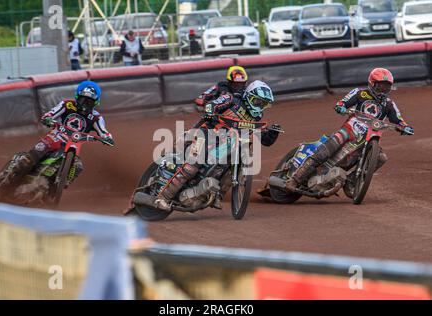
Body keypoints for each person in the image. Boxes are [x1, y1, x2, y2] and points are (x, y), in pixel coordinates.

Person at [154, 80, 282, 212]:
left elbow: (265, 141)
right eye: (258, 102)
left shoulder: (256, 117)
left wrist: (272, 133)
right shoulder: (232, 99)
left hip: (228, 144)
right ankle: (162, 198)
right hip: (207, 135)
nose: (260, 106)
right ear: (249, 96)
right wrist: (210, 111)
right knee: (192, 167)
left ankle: (217, 195)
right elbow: (212, 104)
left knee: (230, 166)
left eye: (264, 104)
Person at [284, 68, 414, 192]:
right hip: (349, 130)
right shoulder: (359, 93)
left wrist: (405, 127)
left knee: (381, 157)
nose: (383, 90)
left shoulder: (389, 104)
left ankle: (352, 182)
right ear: (372, 83)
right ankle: (295, 180)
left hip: (369, 138)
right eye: (380, 86)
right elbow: (342, 103)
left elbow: (398, 119)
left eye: (386, 86)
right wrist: (340, 107)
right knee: (324, 152)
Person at [0, 81, 114, 201]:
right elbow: (51, 114)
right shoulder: (66, 105)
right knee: (28, 160)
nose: (85, 104)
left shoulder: (96, 117)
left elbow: (103, 131)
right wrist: (48, 118)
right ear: (77, 97)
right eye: (83, 100)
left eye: (89, 102)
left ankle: (53, 191)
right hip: (52, 140)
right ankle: (2, 190)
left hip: (72, 146)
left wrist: (107, 137)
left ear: (95, 102)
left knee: (78, 166)